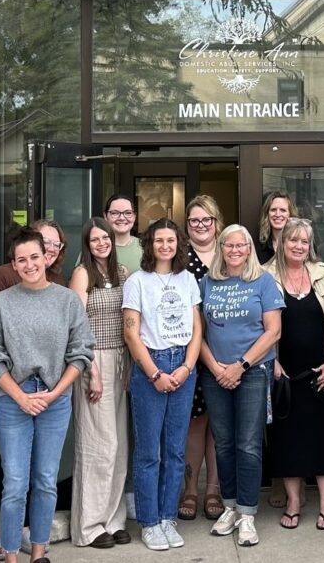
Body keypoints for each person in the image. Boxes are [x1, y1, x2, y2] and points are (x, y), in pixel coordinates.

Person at [0, 228, 96, 563]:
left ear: (46, 257)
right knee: (15, 482)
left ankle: (39, 553)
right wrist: (20, 397)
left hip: (55, 398)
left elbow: (81, 351)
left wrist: (56, 392)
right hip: (12, 398)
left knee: (45, 480)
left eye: (34, 257)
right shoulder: (2, 302)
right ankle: (12, 556)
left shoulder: (67, 300)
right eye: (22, 260)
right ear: (13, 264)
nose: (29, 264)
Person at [198, 224, 284, 546]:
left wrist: (240, 365)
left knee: (247, 444)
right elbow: (198, 332)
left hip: (253, 372)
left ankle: (247, 514)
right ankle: (230, 506)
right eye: (228, 245)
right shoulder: (207, 282)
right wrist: (215, 367)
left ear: (249, 249)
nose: (234, 251)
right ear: (221, 249)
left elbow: (273, 331)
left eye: (240, 245)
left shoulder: (263, 281)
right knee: (223, 443)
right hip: (215, 373)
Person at [122, 219, 203, 551]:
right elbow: (131, 332)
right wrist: (155, 373)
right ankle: (150, 521)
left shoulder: (187, 279)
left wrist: (187, 367)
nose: (165, 246)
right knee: (148, 452)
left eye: (171, 240)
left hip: (183, 364)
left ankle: (168, 517)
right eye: (159, 240)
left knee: (175, 450)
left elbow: (197, 328)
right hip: (150, 366)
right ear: (149, 244)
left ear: (178, 243)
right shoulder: (137, 281)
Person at [265, 218, 324, 530]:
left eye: (304, 241)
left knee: (322, 437)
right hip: (283, 374)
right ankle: (294, 501)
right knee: (287, 439)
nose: (298, 246)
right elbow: (258, 324)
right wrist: (272, 362)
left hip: (321, 372)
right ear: (282, 242)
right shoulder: (265, 275)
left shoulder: (322, 273)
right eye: (293, 240)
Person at [69, 218, 132, 549]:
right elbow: (77, 325)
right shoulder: (82, 274)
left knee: (119, 445)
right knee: (98, 445)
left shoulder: (122, 274)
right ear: (87, 243)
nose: (102, 243)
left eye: (105, 238)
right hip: (94, 362)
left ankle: (114, 519)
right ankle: (89, 525)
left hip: (121, 360)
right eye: (95, 240)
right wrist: (91, 369)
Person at [179, 195, 225, 522]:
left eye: (206, 219)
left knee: (219, 424)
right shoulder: (180, 257)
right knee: (196, 422)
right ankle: (190, 489)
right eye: (194, 220)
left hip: (226, 351)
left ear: (216, 222)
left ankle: (214, 490)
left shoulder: (230, 252)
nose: (200, 225)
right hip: (191, 351)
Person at [255, 190, 297, 264]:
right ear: (267, 214)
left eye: (283, 210)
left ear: (290, 214)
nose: (277, 214)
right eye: (273, 210)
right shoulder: (259, 246)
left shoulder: (302, 243)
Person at [105, 194, 144, 273]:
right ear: (105, 216)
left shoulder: (146, 247)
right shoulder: (96, 247)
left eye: (128, 213)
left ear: (134, 216)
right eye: (115, 213)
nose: (122, 218)